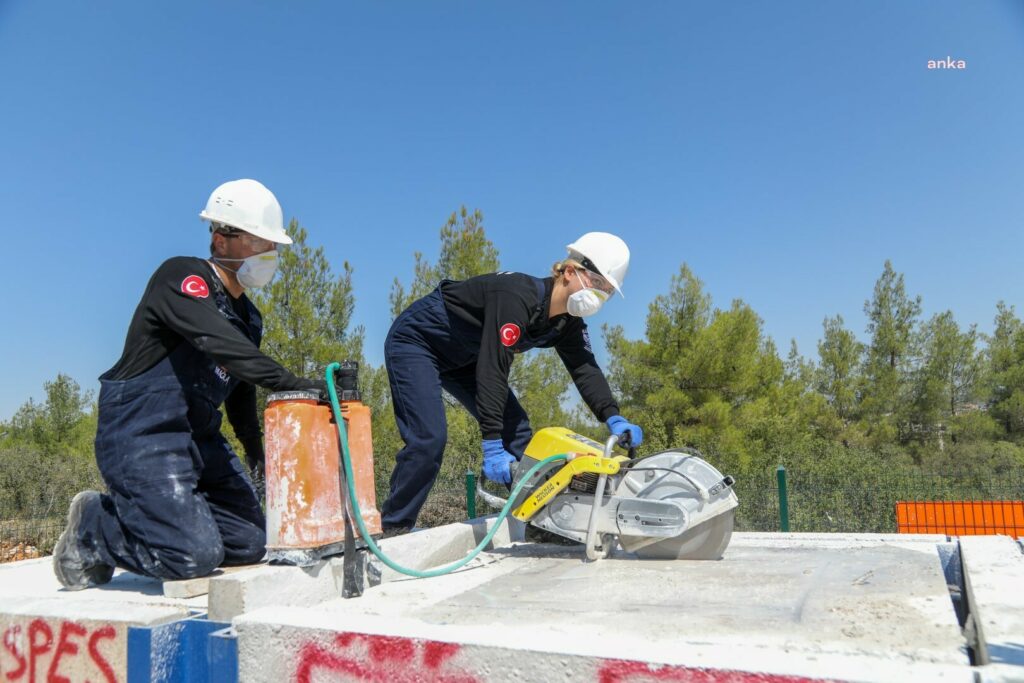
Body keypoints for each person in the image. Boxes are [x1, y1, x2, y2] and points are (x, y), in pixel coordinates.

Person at [53, 179, 326, 589]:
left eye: (270, 245)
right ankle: (95, 526)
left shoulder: (249, 319)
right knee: (191, 556)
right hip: (142, 433)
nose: (267, 254)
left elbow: (240, 387)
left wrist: (256, 451)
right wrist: (293, 384)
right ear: (221, 239)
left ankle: (173, 522)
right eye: (256, 242)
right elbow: (215, 341)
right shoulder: (182, 276)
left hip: (198, 437)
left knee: (252, 542)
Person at [380, 232, 644, 534]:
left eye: (607, 291)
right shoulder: (517, 297)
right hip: (418, 342)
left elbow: (585, 369)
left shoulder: (566, 323)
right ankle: (393, 528)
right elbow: (493, 368)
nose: (599, 296)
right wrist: (491, 443)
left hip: (466, 357)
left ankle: (542, 520)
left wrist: (612, 415)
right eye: (597, 284)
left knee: (517, 430)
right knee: (429, 438)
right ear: (570, 272)